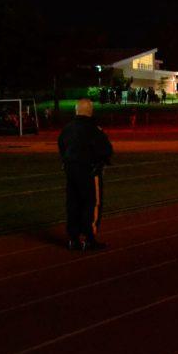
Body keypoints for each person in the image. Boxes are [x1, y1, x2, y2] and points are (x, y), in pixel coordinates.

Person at [58, 99, 113, 251]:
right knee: (91, 203)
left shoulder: (67, 128)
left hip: (71, 170)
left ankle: (73, 238)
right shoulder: (94, 129)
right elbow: (106, 150)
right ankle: (89, 238)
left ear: (76, 111)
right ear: (90, 112)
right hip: (89, 170)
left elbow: (62, 145)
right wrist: (101, 162)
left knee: (73, 203)